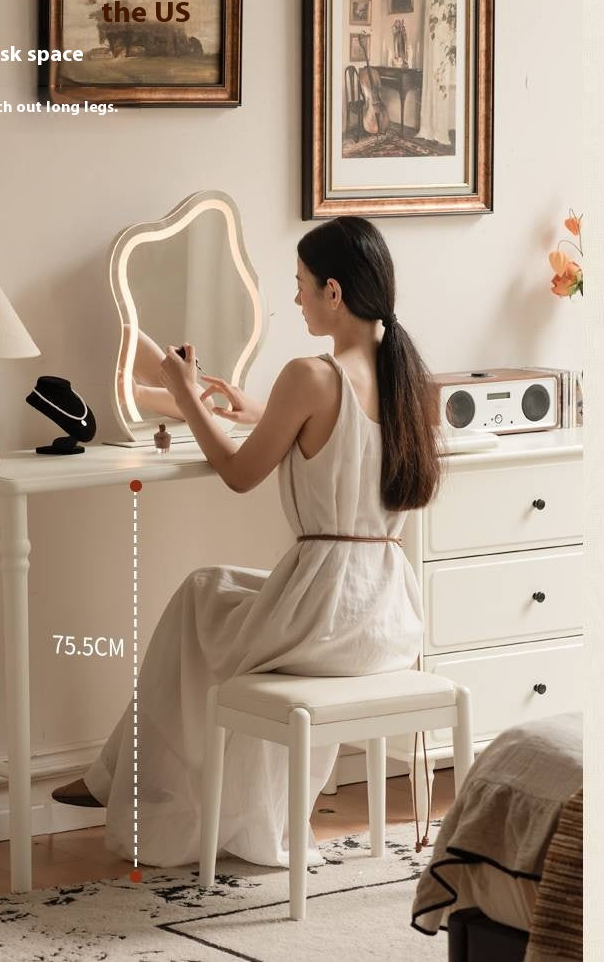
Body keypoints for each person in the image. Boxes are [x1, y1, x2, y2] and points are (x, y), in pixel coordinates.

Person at [53, 216, 441, 869]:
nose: (295, 298)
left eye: (300, 285)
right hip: (388, 616)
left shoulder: (310, 374)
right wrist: (251, 409)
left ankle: (129, 784)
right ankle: (132, 778)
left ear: (334, 293)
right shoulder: (409, 380)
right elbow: (343, 436)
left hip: (323, 612)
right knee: (214, 598)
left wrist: (182, 387)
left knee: (200, 594)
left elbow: (238, 475)